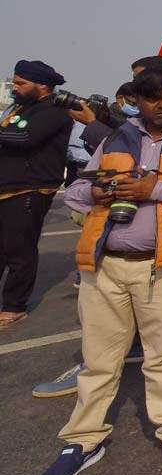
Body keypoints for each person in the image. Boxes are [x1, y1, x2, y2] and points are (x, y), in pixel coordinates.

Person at [39, 64, 162, 475]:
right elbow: (75, 190)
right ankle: (84, 438)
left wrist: (154, 190)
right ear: (137, 101)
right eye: (153, 98)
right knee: (98, 359)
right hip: (106, 263)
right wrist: (98, 190)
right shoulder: (117, 137)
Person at [0, 59, 73, 328]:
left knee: (19, 249)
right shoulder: (21, 107)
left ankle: (14, 305)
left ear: (42, 85)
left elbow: (26, 137)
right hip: (6, 185)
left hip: (29, 187)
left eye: (21, 83)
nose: (15, 87)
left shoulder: (54, 110)